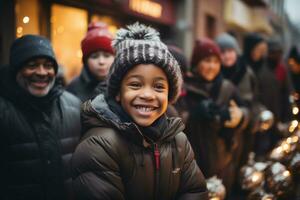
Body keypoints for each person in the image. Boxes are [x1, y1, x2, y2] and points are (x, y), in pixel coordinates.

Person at [71, 23, 208, 200]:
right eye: (135, 85)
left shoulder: (178, 140)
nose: (147, 95)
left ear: (170, 95)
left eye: (159, 87)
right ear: (118, 93)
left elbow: (195, 191)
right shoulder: (99, 146)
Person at [0, 35, 81, 200]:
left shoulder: (74, 106)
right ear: (16, 69)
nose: (42, 72)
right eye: (32, 66)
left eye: (48, 65)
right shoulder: (3, 111)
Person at [184, 38, 248, 196]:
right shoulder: (185, 87)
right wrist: (194, 116)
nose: (212, 66)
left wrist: (240, 117)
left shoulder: (227, 88)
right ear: (196, 63)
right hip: (193, 167)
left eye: (216, 62)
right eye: (207, 61)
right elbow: (175, 118)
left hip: (224, 165)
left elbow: (247, 111)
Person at [67, 22, 115, 102]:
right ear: (85, 61)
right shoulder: (73, 88)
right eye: (94, 57)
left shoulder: (123, 85)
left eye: (106, 56)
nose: (101, 62)